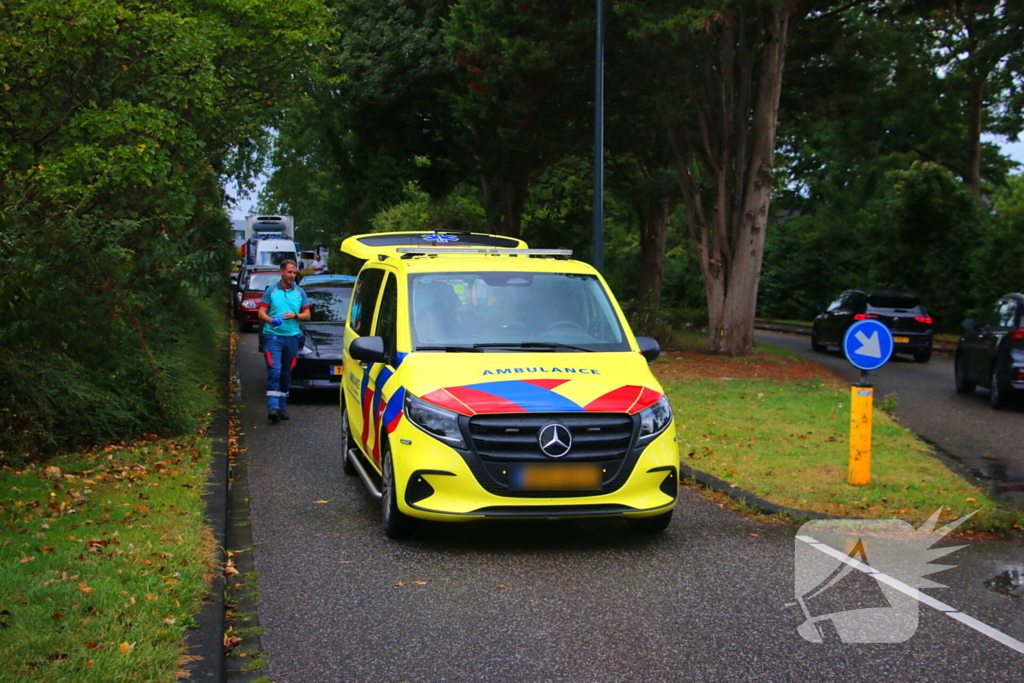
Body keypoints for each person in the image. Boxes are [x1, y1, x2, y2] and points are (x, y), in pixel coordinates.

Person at [257, 260, 310, 423]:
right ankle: (272, 407)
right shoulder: (271, 291)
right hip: (273, 338)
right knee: (275, 371)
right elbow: (261, 312)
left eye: (294, 273)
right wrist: (271, 320)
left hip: (292, 337)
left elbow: (307, 315)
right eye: (289, 272)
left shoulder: (300, 292)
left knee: (286, 374)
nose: (292, 276)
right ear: (282, 272)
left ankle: (281, 406)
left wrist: (294, 316)